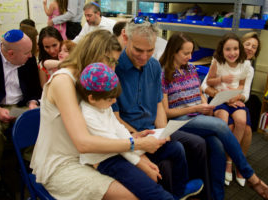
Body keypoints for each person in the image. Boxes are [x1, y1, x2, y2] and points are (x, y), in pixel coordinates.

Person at [30, 29, 166, 200]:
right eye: (112, 61)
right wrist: (135, 145)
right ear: (95, 54)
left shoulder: (95, 81)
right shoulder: (63, 81)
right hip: (63, 163)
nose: (114, 68)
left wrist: (135, 141)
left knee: (146, 183)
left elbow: (110, 123)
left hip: (92, 157)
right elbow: (83, 143)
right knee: (131, 196)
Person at [160, 32, 268, 200]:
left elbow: (199, 91)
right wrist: (196, 108)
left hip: (198, 115)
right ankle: (251, 176)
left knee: (218, 145)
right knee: (221, 125)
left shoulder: (191, 68)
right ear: (173, 52)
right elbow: (166, 112)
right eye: (186, 53)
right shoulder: (163, 74)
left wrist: (205, 105)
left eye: (191, 52)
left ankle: (217, 196)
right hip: (180, 119)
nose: (190, 56)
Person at [112, 17, 212, 200]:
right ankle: (177, 194)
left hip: (153, 129)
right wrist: (140, 136)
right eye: (138, 50)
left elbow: (159, 104)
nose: (144, 56)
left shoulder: (153, 66)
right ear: (126, 39)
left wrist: (163, 131)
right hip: (131, 133)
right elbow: (113, 119)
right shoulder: (114, 69)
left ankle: (201, 195)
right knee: (167, 163)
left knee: (198, 144)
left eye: (150, 51)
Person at [77, 62, 204, 200]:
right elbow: (116, 145)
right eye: (110, 98)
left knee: (175, 148)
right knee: (153, 190)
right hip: (109, 160)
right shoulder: (88, 115)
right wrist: (141, 162)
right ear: (92, 98)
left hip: (125, 147)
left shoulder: (102, 105)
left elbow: (118, 129)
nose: (114, 101)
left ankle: (180, 192)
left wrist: (135, 138)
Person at [0, 29, 42, 200]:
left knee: (40, 121)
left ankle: (28, 165)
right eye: (27, 52)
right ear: (10, 53)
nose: (31, 56)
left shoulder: (27, 60)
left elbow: (34, 90)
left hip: (20, 106)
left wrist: (32, 102)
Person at [201, 32, 261, 187]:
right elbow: (205, 84)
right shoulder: (218, 62)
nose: (250, 48)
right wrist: (223, 94)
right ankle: (224, 163)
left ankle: (233, 162)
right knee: (227, 124)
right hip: (220, 99)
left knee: (244, 125)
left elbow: (244, 90)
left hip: (236, 100)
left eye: (254, 47)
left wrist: (236, 97)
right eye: (248, 44)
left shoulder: (247, 66)